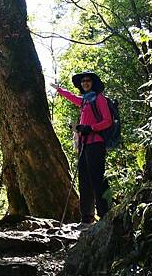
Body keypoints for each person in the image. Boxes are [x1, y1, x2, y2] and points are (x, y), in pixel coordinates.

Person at [56, 70, 112, 227]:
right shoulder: (85, 101)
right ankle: (87, 218)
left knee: (98, 179)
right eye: (83, 81)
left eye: (88, 80)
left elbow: (107, 121)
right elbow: (72, 98)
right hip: (84, 144)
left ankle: (105, 215)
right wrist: (59, 90)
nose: (85, 83)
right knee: (84, 180)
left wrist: (91, 128)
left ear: (93, 82)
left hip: (96, 143)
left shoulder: (99, 99)